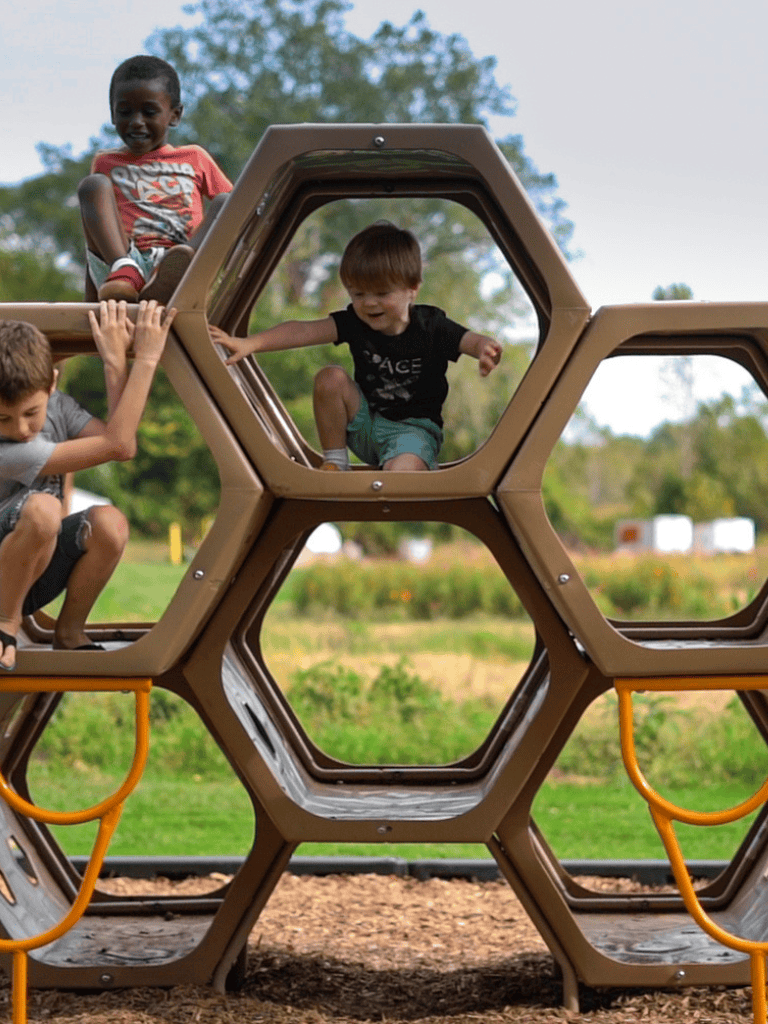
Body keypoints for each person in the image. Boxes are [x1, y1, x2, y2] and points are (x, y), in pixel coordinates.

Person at [210, 221, 503, 471]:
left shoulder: (431, 325)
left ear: (412, 288)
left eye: (381, 292)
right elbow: (303, 330)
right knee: (330, 378)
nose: (369, 302)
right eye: (358, 293)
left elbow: (470, 340)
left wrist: (485, 348)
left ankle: (401, 469)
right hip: (367, 424)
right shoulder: (355, 321)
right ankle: (336, 462)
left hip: (413, 432)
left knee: (398, 477)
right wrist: (249, 343)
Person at [0, 299, 176, 670]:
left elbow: (122, 443)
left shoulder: (61, 407)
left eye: (31, 413)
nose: (20, 430)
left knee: (109, 524)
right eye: (3, 418)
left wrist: (114, 361)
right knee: (44, 509)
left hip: (37, 569)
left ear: (51, 384)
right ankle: (5, 627)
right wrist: (143, 361)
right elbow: (116, 444)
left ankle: (70, 631)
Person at [78, 55, 233, 303]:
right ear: (112, 114)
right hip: (125, 263)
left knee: (228, 202)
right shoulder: (106, 163)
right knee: (92, 186)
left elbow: (237, 213)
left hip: (181, 259)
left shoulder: (195, 157)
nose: (137, 122)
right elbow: (93, 232)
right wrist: (89, 303)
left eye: (149, 112)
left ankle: (171, 279)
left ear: (174, 115)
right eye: (125, 112)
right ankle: (126, 270)